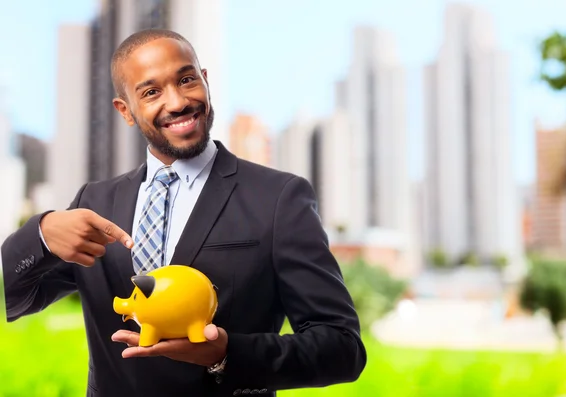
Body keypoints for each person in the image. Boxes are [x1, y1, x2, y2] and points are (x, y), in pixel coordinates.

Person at [1, 29, 366, 397]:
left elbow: (342, 348)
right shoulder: (94, 202)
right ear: (125, 110)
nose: (177, 102)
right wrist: (42, 233)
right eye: (151, 92)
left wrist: (227, 354)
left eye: (186, 79)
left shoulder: (278, 198)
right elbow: (16, 298)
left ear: (205, 82)